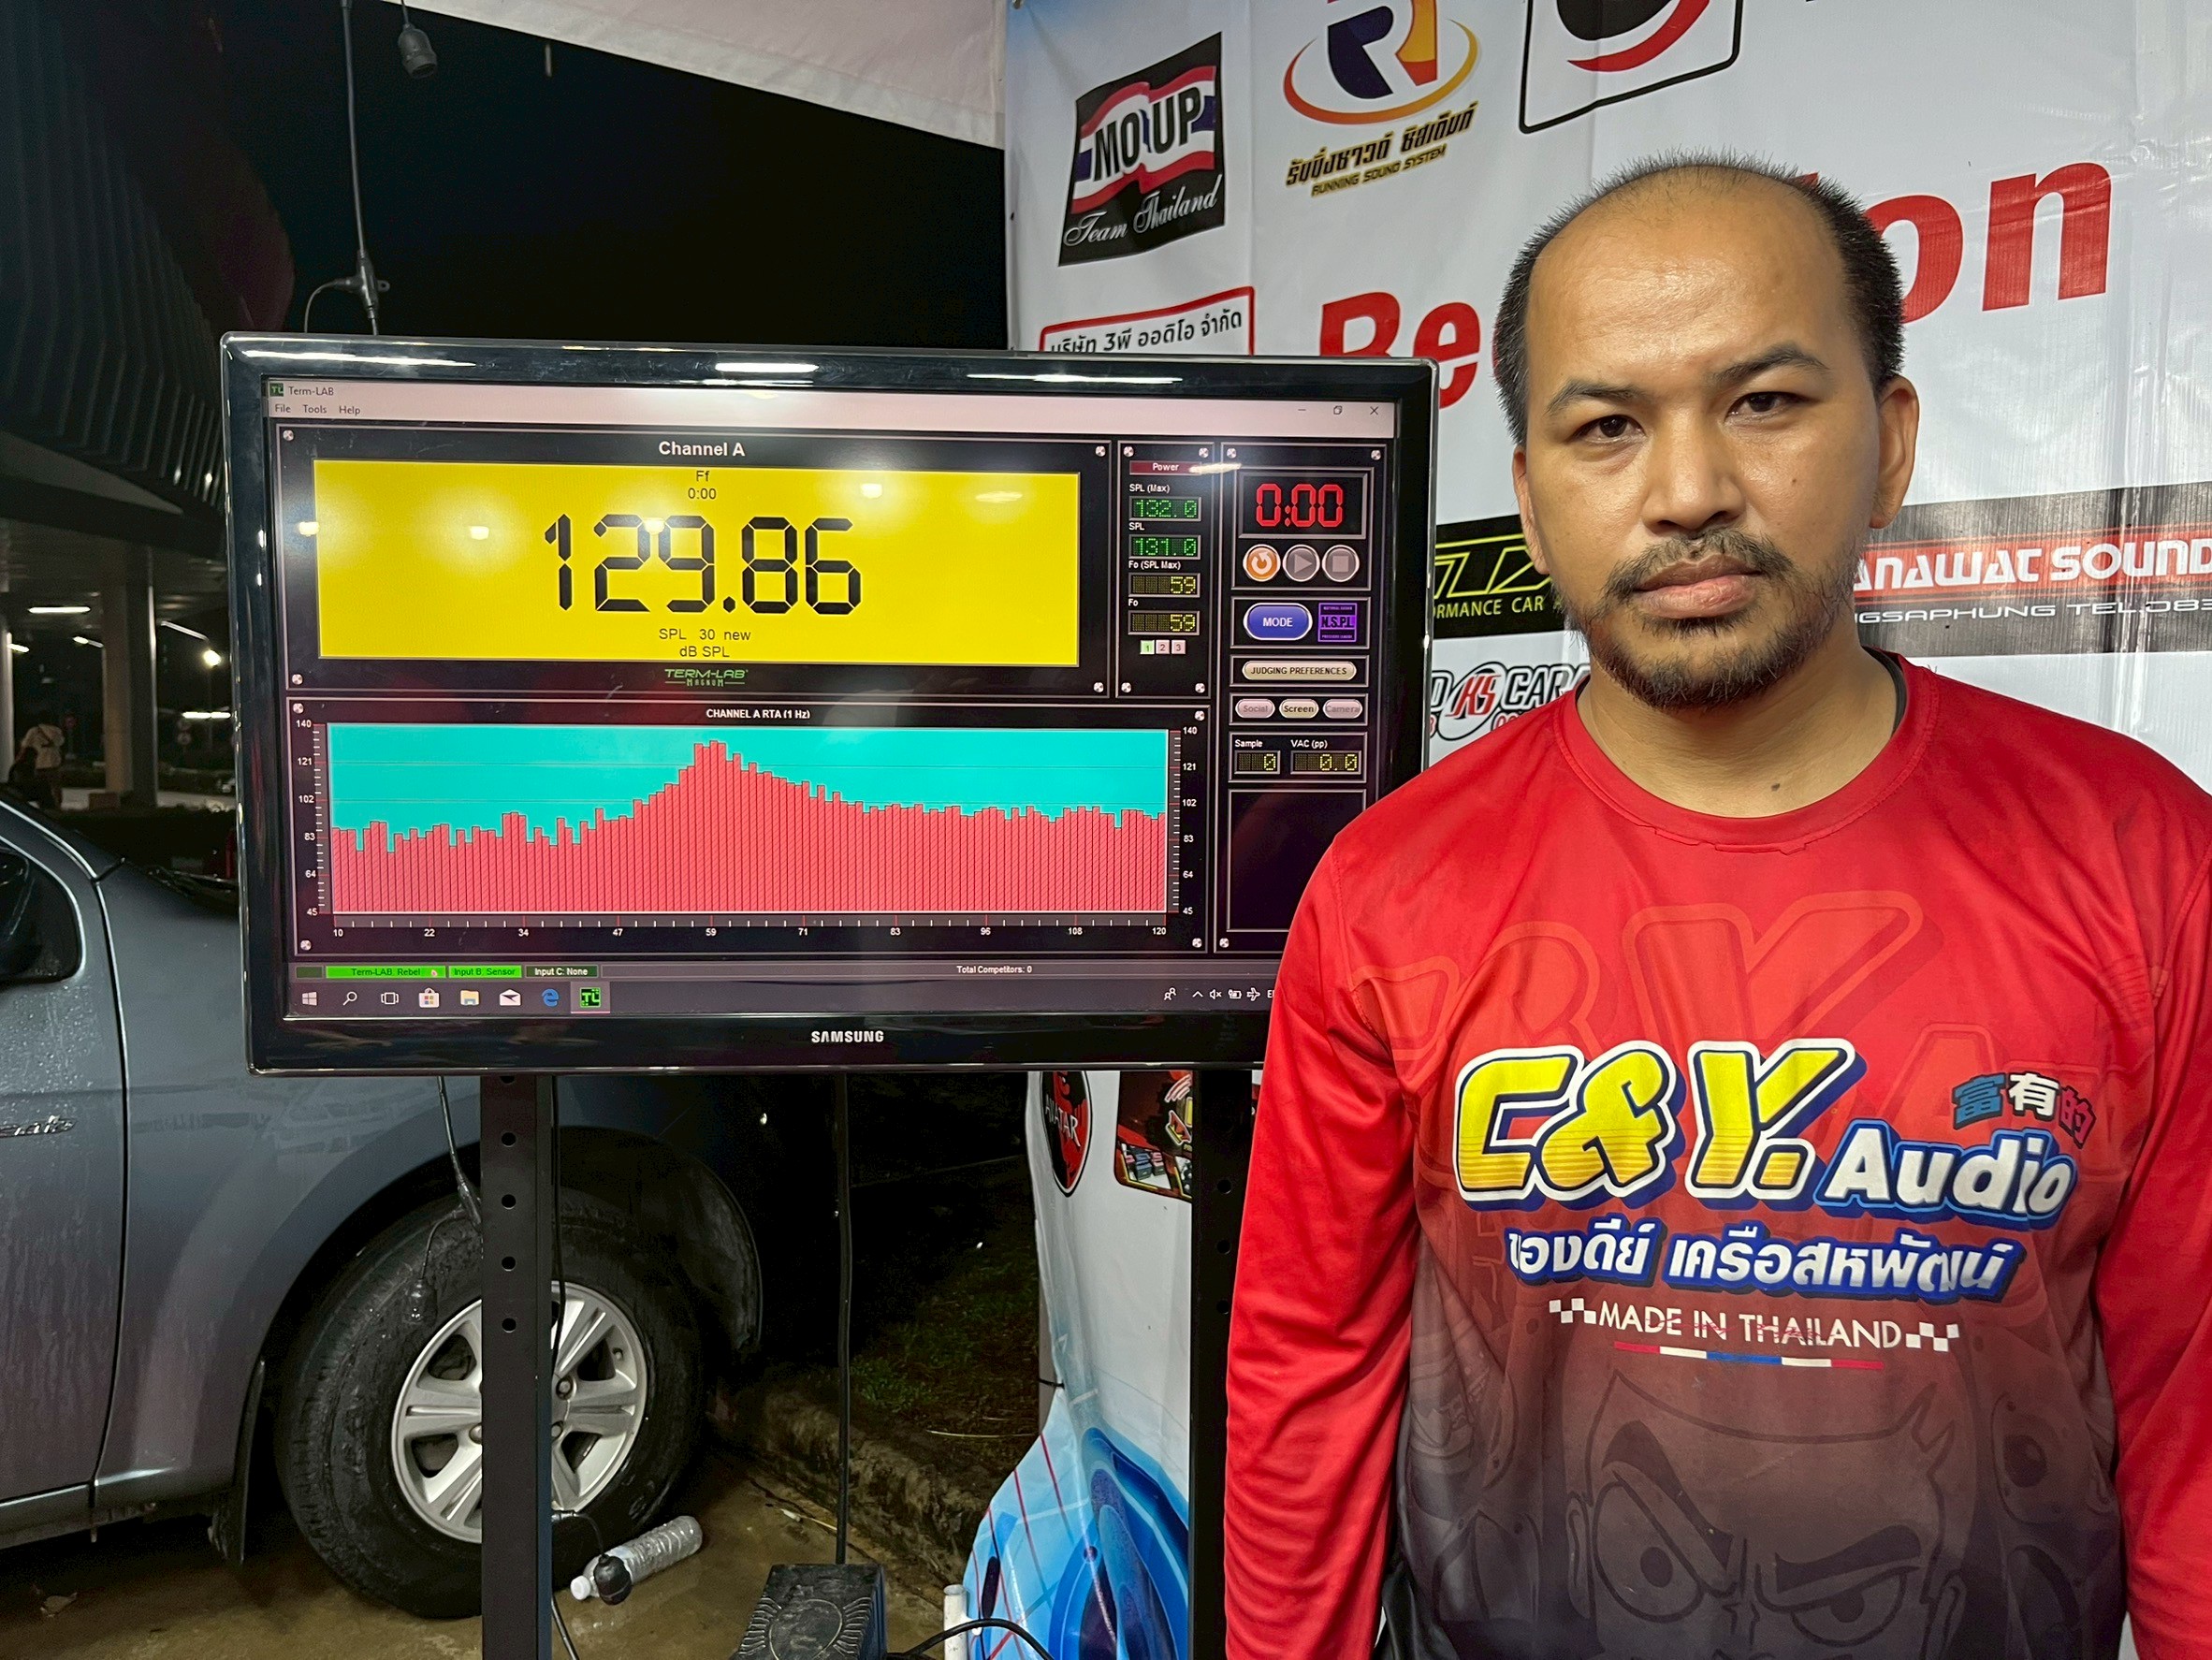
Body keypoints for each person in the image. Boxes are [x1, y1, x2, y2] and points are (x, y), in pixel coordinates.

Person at [1226, 156, 2211, 1660]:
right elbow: (1307, 1371)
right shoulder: (1389, 888)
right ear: (1532, 502)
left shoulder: (2144, 858)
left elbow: (2195, 1400)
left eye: (1764, 401)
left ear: (1890, 443)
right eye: (1607, 427)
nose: (1687, 491)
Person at [9, 707, 64, 809]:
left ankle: (43, 807)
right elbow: (60, 743)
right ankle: (57, 806)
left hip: (40, 763)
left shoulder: (34, 731)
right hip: (54, 763)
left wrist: (17, 761)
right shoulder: (57, 730)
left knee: (41, 787)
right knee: (55, 786)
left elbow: (25, 747)